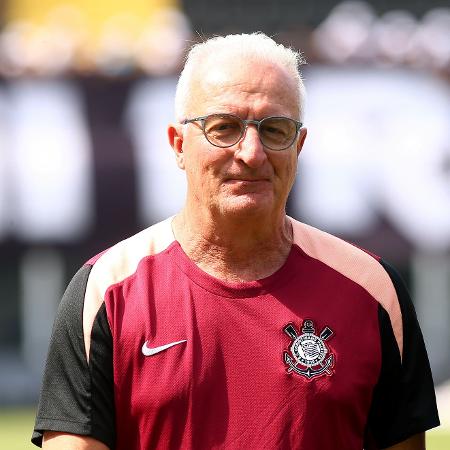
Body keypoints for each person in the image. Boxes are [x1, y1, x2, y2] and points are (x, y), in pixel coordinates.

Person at [32, 32, 439, 450]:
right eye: (224, 128)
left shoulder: (371, 289)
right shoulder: (106, 290)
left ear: (299, 146)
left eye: (275, 130)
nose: (251, 152)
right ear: (178, 144)